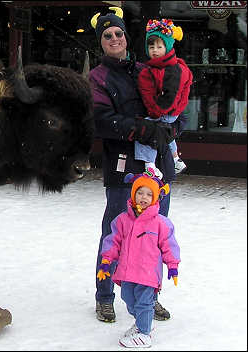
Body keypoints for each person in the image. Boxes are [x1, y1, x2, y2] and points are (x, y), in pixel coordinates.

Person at [88, 6, 187, 323]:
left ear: (127, 37)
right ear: (100, 42)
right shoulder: (97, 78)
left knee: (155, 238)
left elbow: (177, 110)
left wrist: (171, 129)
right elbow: (101, 122)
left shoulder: (150, 67)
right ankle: (105, 296)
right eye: (107, 35)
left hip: (158, 171)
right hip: (123, 171)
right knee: (114, 235)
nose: (114, 38)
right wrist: (143, 128)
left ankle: (150, 295)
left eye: (118, 33)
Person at [97, 168, 181, 348]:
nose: (143, 197)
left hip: (148, 274)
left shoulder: (160, 223)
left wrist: (172, 265)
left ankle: (144, 333)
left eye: (149, 194)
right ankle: (144, 321)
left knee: (144, 303)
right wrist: (106, 261)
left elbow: (169, 245)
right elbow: (113, 241)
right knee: (128, 299)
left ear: (156, 198)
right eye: (140, 192)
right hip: (127, 272)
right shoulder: (122, 220)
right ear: (133, 195)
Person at [135, 19, 193, 179]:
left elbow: (170, 95)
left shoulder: (171, 69)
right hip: (172, 112)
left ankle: (149, 164)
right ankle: (176, 158)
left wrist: (155, 112)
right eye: (151, 46)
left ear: (167, 47)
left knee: (146, 131)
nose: (154, 50)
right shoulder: (169, 67)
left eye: (159, 46)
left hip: (166, 111)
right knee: (166, 131)